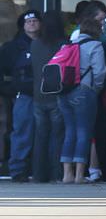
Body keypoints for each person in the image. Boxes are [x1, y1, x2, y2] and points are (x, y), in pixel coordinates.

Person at [59, 18, 106, 183]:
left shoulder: (67, 45)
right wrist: (96, 89)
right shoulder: (95, 45)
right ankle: (79, 175)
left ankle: (67, 174)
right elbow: (100, 72)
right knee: (83, 132)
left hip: (64, 92)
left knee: (69, 131)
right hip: (84, 92)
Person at [1, 10, 42, 182]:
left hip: (46, 97)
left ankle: (42, 170)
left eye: (35, 20)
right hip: (23, 97)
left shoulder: (48, 43)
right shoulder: (12, 48)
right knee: (22, 133)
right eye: (28, 21)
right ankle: (18, 171)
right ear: (22, 25)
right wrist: (10, 89)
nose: (32, 23)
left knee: (43, 135)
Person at [30, 11, 66, 183]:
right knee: (57, 137)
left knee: (40, 136)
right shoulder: (63, 45)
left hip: (38, 95)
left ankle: (38, 174)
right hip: (57, 95)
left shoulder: (35, 44)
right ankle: (56, 174)